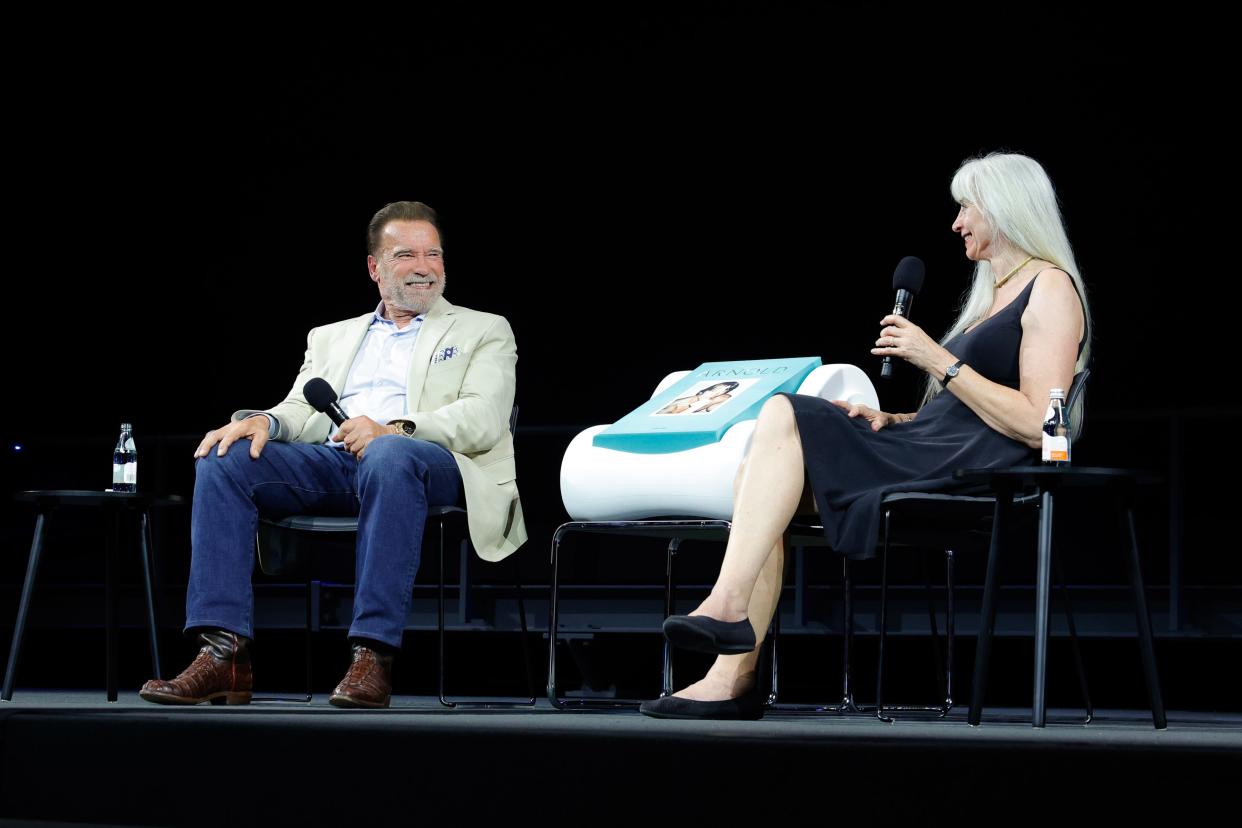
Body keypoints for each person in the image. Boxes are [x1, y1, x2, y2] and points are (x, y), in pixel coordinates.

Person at [642, 152, 1091, 720]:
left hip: (977, 474)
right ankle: (730, 672)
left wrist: (936, 359)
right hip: (929, 447)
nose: (957, 223)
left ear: (1006, 208)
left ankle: (728, 620)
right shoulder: (992, 296)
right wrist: (894, 419)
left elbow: (1037, 423)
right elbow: (961, 413)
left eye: (966, 207)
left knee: (785, 414)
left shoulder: (1050, 288)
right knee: (764, 489)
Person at [140, 201, 526, 709]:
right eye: (406, 254)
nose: (425, 267)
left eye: (434, 254)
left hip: (435, 463)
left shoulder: (484, 328)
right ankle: (223, 654)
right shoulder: (331, 336)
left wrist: (394, 429)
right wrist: (265, 421)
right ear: (375, 267)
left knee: (390, 457)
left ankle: (372, 656)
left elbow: (483, 418)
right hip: (341, 465)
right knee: (225, 456)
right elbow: (301, 407)